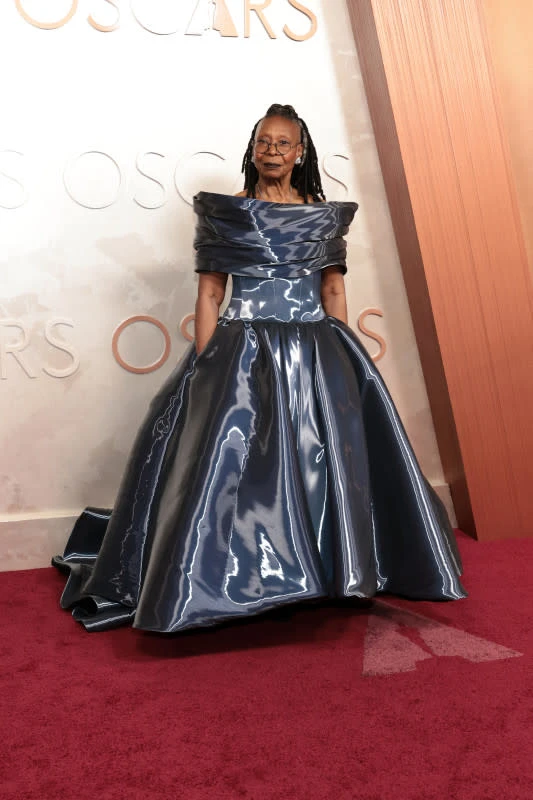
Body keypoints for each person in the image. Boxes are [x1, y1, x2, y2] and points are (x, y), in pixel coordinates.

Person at [53, 103, 466, 633]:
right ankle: (224, 584)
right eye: (264, 142)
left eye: (283, 143)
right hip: (241, 349)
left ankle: (327, 574)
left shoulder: (321, 213)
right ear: (254, 149)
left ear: (300, 152)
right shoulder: (228, 212)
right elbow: (210, 293)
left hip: (316, 349)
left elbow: (333, 289)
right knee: (229, 470)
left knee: (323, 466)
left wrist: (341, 355)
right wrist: (206, 365)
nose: (272, 151)